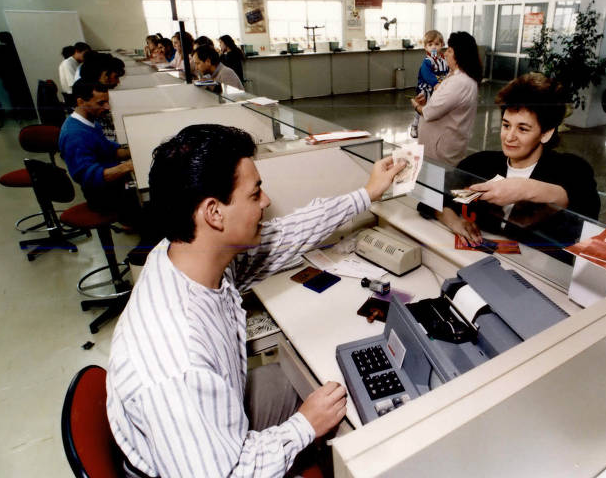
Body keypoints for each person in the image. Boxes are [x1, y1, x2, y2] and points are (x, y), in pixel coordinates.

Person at [106, 124, 406, 477]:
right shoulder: (178, 366)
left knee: (305, 378)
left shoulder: (185, 253)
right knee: (333, 410)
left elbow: (286, 234)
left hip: (210, 426)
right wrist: (304, 426)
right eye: (255, 193)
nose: (266, 201)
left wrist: (367, 193)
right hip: (195, 469)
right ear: (214, 213)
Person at [422, 73, 600, 250]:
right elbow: (431, 196)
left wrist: (525, 189)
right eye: (506, 125)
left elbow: (587, 213)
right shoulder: (479, 163)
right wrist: (453, 221)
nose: (509, 137)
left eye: (523, 129)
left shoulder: (573, 169)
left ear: (546, 133)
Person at [58, 81, 140, 225]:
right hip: (100, 195)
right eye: (101, 103)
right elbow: (88, 176)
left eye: (107, 102)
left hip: (110, 185)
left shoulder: (90, 121)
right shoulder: (75, 134)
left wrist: (136, 150)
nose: (107, 107)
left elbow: (110, 150)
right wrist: (127, 167)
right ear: (81, 102)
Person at [411, 31, 481, 166]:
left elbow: (430, 113)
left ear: (459, 54)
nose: (446, 53)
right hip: (437, 147)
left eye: (449, 50)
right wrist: (426, 102)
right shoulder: (455, 77)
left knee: (436, 183)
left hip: (441, 152)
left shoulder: (459, 82)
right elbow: (442, 104)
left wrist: (417, 106)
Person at [409, 30, 449, 138]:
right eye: (430, 45)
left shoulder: (444, 60)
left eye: (437, 44)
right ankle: (415, 126)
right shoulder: (427, 61)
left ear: (442, 45)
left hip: (439, 88)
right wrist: (435, 83)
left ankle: (437, 127)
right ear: (425, 47)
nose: (434, 47)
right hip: (426, 88)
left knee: (439, 107)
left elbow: (448, 72)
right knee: (423, 107)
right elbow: (426, 74)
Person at [0, 31, 36, 119]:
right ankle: (30, 114)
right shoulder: (16, 49)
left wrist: (1, 75)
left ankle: (19, 115)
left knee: (14, 97)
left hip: (7, 78)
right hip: (21, 77)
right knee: (25, 96)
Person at [78, 53, 126, 141]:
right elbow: (111, 143)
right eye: (116, 77)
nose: (118, 82)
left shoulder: (98, 97)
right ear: (103, 76)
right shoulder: (93, 107)